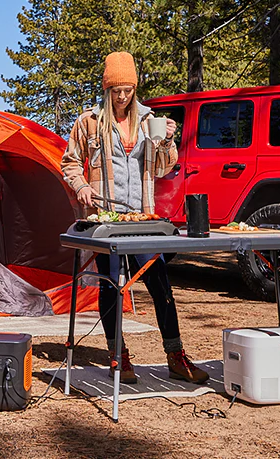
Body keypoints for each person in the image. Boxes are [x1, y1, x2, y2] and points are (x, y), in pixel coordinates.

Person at [60, 51, 209, 384]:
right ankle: (118, 356)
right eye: (116, 90)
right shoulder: (89, 121)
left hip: (142, 219)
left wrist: (168, 139)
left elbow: (162, 168)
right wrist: (81, 184)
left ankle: (175, 356)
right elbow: (69, 162)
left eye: (127, 89)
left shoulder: (148, 121)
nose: (123, 96)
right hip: (104, 219)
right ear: (107, 89)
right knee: (112, 285)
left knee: (160, 283)